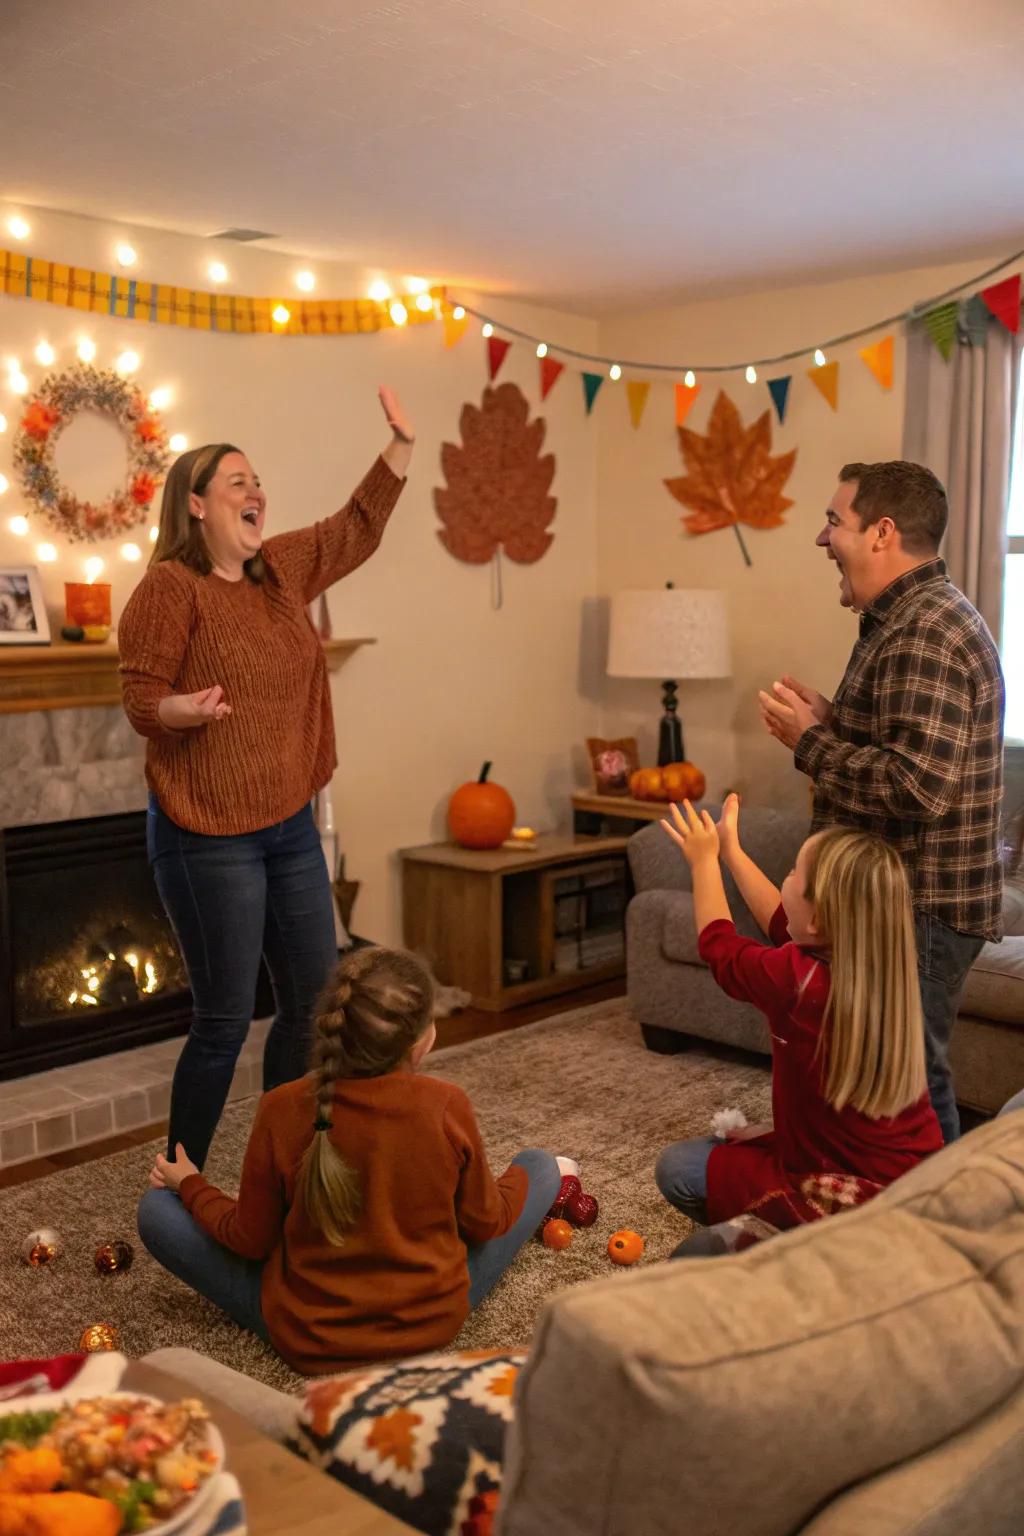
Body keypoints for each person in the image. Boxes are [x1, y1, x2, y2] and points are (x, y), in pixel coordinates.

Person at [118, 386, 414, 1170]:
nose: (258, 494)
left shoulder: (278, 569)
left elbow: (355, 529)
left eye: (258, 482)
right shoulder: (170, 590)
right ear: (196, 505)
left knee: (312, 1006)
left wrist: (401, 447)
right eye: (239, 483)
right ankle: (177, 1179)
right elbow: (141, 698)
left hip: (286, 824)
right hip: (205, 832)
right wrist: (184, 708)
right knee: (222, 1021)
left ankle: (277, 1165)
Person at [137, 946, 561, 1375]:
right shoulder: (447, 1105)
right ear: (423, 1040)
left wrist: (191, 1184)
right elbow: (485, 1223)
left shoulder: (280, 1107)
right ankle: (542, 1172)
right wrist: (512, 1186)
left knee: (157, 1210)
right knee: (540, 1166)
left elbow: (250, 1240)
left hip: (309, 1336)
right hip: (429, 1325)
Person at [758, 461, 1004, 1143]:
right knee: (909, 1082)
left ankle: (933, 1235)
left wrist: (809, 743)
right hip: (905, 900)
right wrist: (834, 720)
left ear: (882, 533)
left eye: (835, 521)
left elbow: (915, 787)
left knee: (907, 1091)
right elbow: (910, 749)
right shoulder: (909, 619)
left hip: (918, 905)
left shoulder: (925, 630)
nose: (821, 537)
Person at [654, 797, 942, 1256]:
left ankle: (793, 1249)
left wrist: (704, 861)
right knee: (731, 1152)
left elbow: (720, 948)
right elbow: (787, 924)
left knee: (680, 1167)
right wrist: (733, 851)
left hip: (842, 1195)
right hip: (906, 1182)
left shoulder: (798, 983)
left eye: (791, 874)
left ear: (821, 917)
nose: (784, 878)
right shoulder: (874, 967)